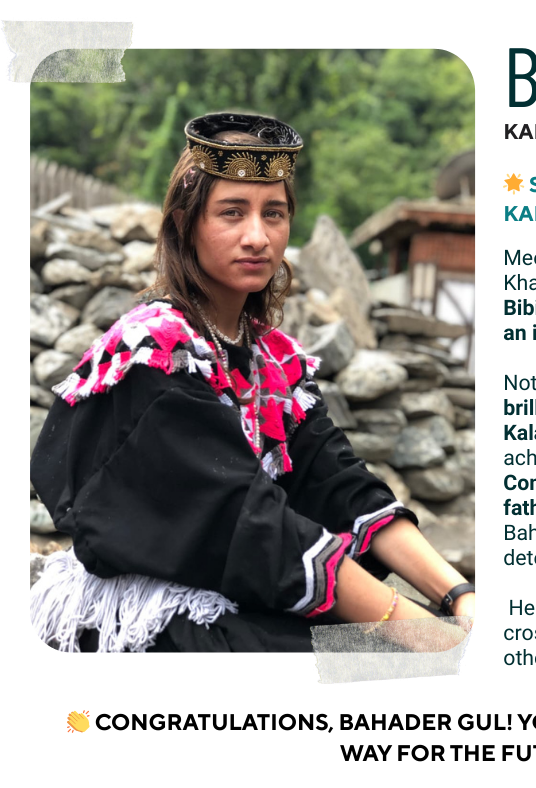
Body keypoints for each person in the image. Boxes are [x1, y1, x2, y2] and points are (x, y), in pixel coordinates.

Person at [30, 113, 474, 652]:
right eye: (232, 212)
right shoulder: (154, 352)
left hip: (234, 582)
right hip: (150, 609)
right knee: (379, 659)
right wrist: (422, 632)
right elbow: (249, 524)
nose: (258, 237)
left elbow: (342, 483)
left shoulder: (271, 359)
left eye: (275, 214)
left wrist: (460, 597)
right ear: (184, 224)